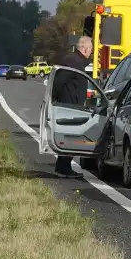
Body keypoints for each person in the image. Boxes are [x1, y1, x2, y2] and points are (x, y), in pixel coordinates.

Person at [52, 36, 93, 177]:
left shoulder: (75, 61)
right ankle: (64, 168)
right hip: (69, 107)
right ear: (86, 49)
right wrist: (57, 101)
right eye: (91, 50)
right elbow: (58, 83)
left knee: (70, 138)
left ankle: (62, 166)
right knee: (69, 138)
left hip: (71, 106)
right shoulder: (73, 62)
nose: (91, 53)